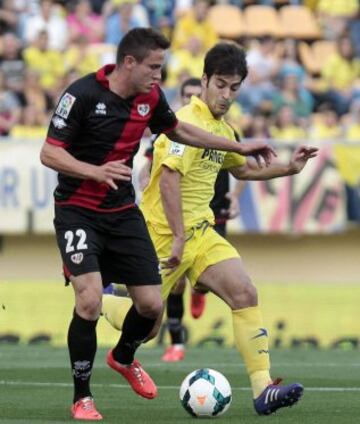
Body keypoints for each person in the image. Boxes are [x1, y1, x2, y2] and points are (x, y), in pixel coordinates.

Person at [39, 28, 275, 421]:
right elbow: (49, 152)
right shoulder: (80, 95)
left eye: (161, 67)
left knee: (149, 306)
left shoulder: (151, 98)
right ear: (128, 63)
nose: (159, 76)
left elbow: (179, 129)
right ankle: (83, 397)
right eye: (153, 66)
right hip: (77, 210)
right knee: (89, 298)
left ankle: (125, 357)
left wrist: (239, 145)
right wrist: (94, 171)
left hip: (121, 211)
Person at [139, 42, 318, 415]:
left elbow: (242, 169)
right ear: (204, 80)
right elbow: (169, 179)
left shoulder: (224, 130)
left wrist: (290, 167)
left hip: (202, 234)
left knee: (244, 292)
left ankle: (262, 389)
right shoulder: (184, 121)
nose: (226, 95)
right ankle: (102, 295)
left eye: (234, 88)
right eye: (220, 84)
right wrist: (176, 236)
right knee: (145, 328)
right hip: (161, 236)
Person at [137, 77, 245, 362]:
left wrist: (235, 196)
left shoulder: (225, 131)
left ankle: (201, 289)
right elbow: (153, 166)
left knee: (210, 281)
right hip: (174, 218)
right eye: (187, 95)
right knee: (168, 293)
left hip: (213, 209)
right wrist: (147, 180)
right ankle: (176, 342)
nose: (192, 99)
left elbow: (243, 167)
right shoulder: (174, 129)